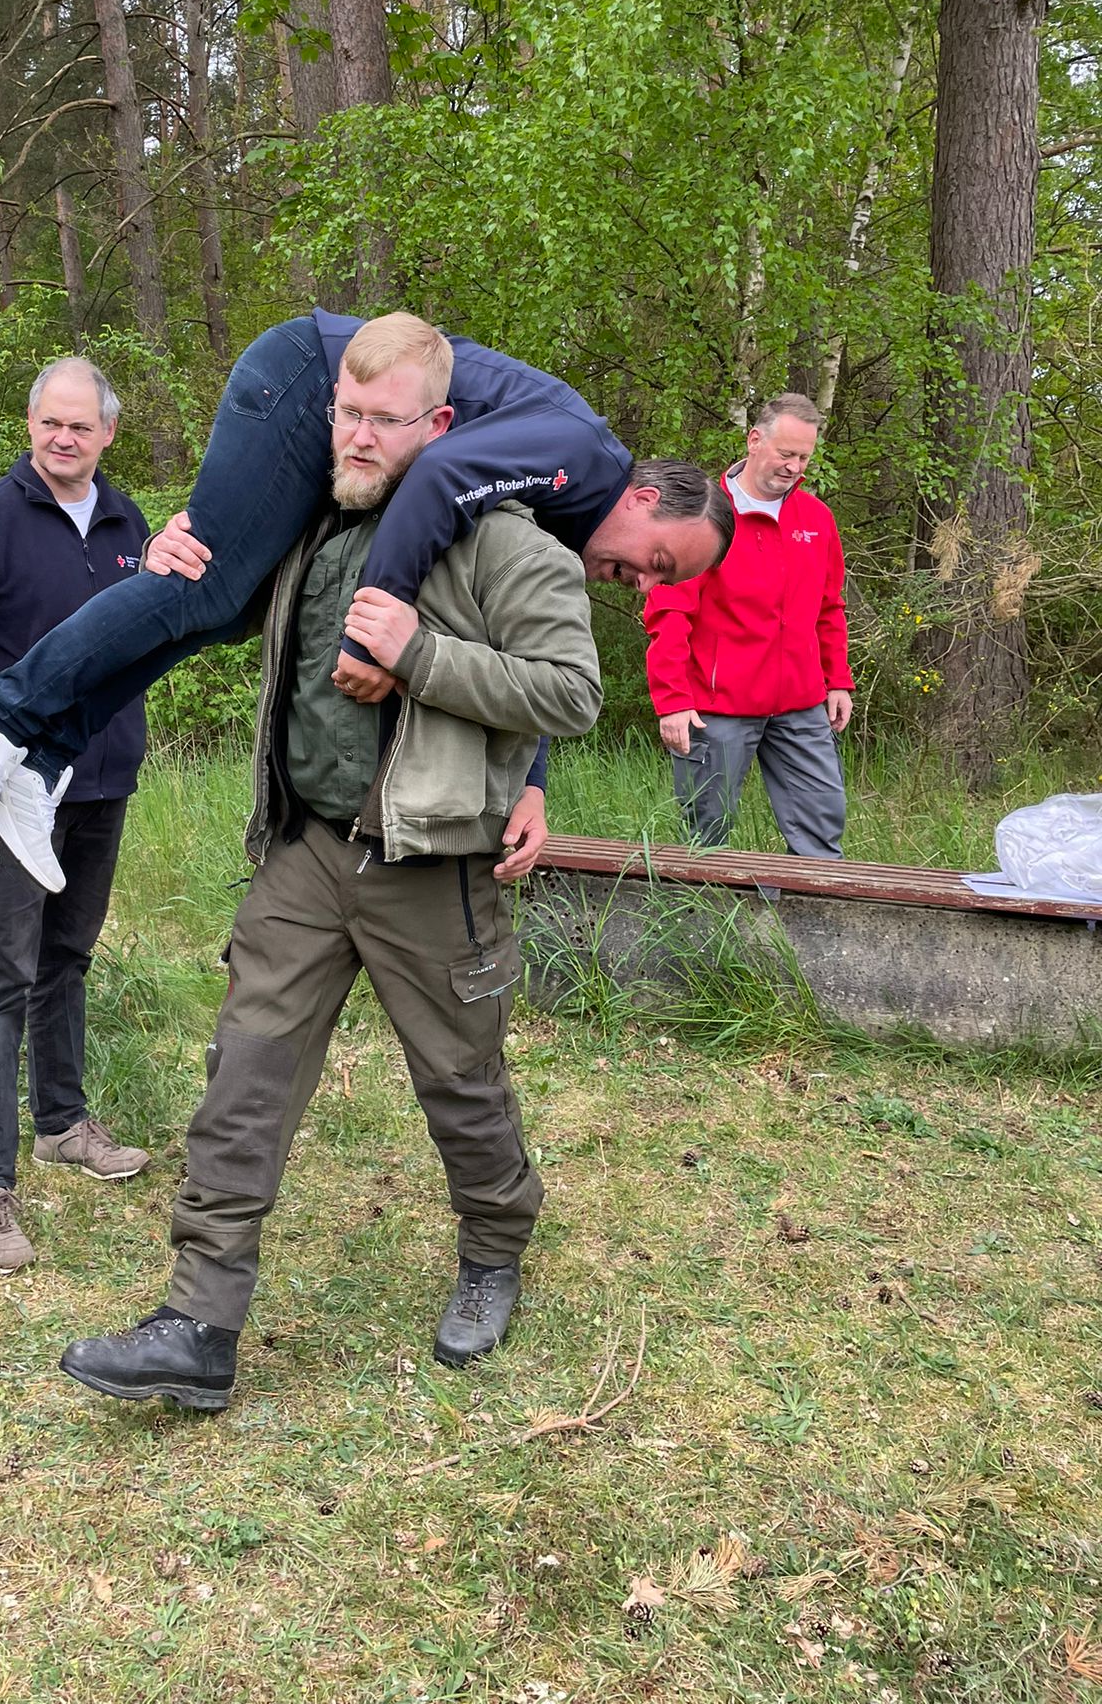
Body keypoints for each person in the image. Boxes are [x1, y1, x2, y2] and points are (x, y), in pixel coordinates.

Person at [56, 315, 729, 1412]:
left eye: (385, 419)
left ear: (442, 422)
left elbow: (569, 692)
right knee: (244, 1077)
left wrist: (420, 656)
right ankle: (197, 1322)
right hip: (308, 848)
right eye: (352, 415)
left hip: (434, 867)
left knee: (461, 1081)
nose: (363, 434)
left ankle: (496, 1247)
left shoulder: (517, 544)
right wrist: (175, 540)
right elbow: (214, 584)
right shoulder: (322, 518)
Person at [0, 308, 734, 885]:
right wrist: (367, 642)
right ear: (643, 499)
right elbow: (441, 474)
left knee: (230, 611)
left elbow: (510, 637)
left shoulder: (565, 508)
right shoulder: (579, 457)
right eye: (660, 559)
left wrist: (533, 784)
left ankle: (44, 755)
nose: (647, 584)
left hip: (325, 395)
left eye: (666, 582)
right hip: (307, 378)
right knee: (206, 580)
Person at [0, 357, 151, 1277]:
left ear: (106, 435)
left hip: (103, 781)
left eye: (80, 427)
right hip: (10, 791)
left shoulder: (134, 528)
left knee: (68, 958)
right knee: (2, 971)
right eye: (49, 423)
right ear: (30, 423)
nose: (62, 438)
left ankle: (62, 1124)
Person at [643, 392, 853, 859]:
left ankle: (817, 925)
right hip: (717, 708)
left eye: (804, 457)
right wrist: (672, 701)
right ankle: (705, 926)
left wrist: (837, 680)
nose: (795, 467)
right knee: (706, 835)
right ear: (755, 440)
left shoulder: (816, 519)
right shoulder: (705, 516)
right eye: (786, 454)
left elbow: (828, 607)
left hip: (801, 702)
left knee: (823, 823)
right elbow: (669, 613)